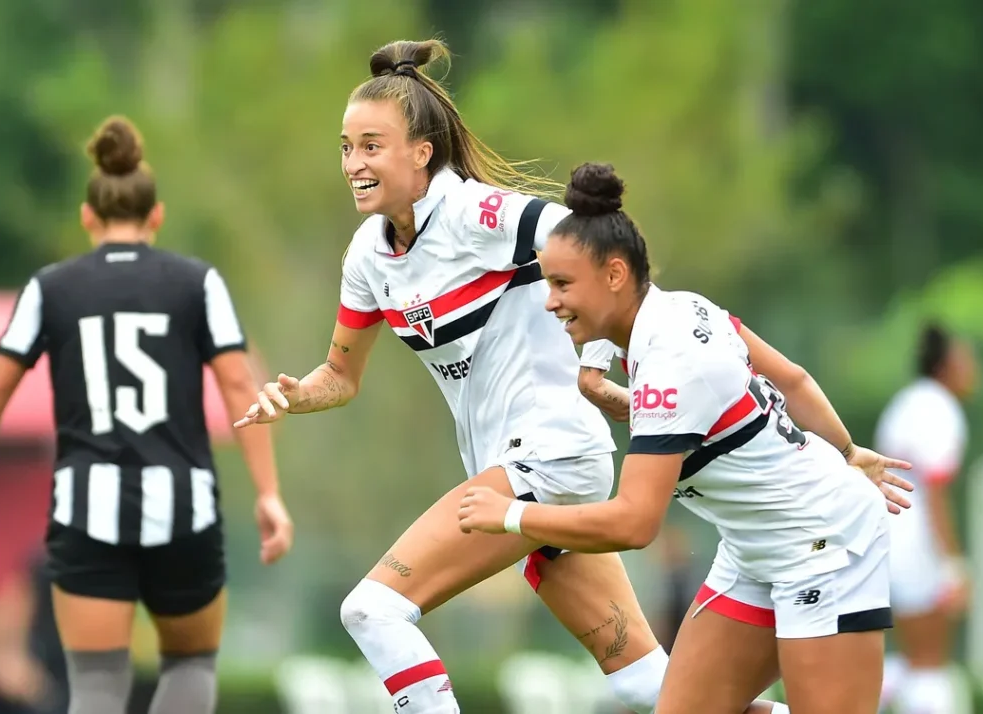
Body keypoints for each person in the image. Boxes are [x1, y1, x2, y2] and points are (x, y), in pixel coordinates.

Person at [237, 39, 783, 714]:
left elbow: (604, 247)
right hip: (517, 476)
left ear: (421, 153)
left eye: (372, 146)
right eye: (346, 147)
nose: (354, 164)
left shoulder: (477, 215)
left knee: (373, 611)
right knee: (651, 686)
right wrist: (292, 395)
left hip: (548, 457)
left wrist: (593, 367)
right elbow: (341, 376)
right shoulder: (368, 255)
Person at [456, 162, 915, 714]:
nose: (549, 300)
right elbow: (789, 378)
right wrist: (846, 451)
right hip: (755, 553)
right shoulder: (683, 310)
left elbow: (634, 522)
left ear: (615, 275)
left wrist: (512, 517)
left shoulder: (671, 363)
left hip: (824, 545)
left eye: (561, 284)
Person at [0, 116, 294, 714]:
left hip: (87, 508)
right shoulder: (197, 282)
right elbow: (238, 384)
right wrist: (268, 494)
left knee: (97, 686)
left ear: (87, 218)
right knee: (189, 672)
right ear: (156, 218)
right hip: (184, 505)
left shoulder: (51, 288)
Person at [874, 323, 977, 714]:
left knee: (910, 656)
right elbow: (933, 492)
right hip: (916, 541)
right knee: (931, 661)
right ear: (947, 365)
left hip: (886, 529)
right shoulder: (940, 409)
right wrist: (952, 563)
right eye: (967, 360)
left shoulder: (906, 401)